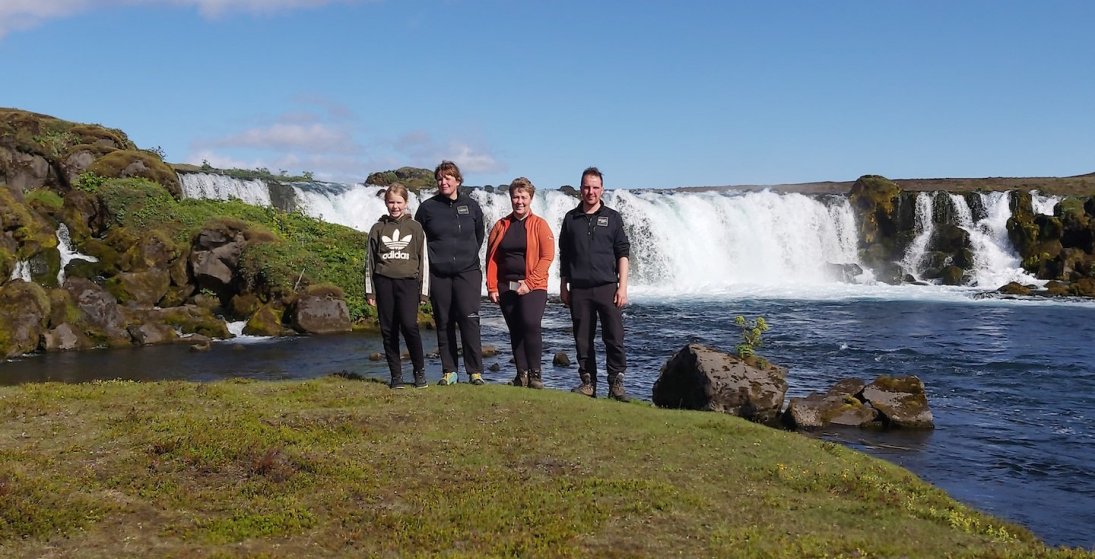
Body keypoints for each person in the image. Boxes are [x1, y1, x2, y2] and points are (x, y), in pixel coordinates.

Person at [558, 166, 631, 401]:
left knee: (614, 336)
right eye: (587, 187)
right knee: (582, 338)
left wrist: (622, 287)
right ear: (581, 189)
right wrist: (563, 286)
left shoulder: (612, 218)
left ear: (602, 189)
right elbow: (565, 255)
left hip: (607, 287)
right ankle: (588, 382)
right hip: (579, 289)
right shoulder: (571, 219)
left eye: (595, 187)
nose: (591, 192)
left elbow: (622, 253)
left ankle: (616, 383)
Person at [415, 160, 486, 386]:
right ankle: (449, 371)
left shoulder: (472, 206)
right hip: (439, 273)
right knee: (444, 320)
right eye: (440, 178)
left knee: (469, 318)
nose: (443, 181)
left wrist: (467, 256)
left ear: (457, 180)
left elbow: (479, 234)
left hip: (468, 271)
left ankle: (475, 371)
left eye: (448, 177)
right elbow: (419, 238)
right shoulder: (427, 208)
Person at [485, 177, 555, 389]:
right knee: (515, 328)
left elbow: (547, 257)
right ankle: (521, 374)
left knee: (530, 324)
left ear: (531, 198)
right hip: (507, 285)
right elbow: (492, 257)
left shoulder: (540, 225)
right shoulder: (501, 225)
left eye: (524, 197)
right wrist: (491, 286)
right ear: (511, 198)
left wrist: (530, 283)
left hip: (534, 285)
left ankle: (535, 374)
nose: (519, 201)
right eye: (516, 197)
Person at [365, 183, 429, 389]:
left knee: (410, 327)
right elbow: (370, 262)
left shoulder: (415, 228)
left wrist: (424, 291)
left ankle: (419, 373)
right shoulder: (377, 229)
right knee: (388, 330)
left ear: (406, 203)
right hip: (384, 283)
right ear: (385, 203)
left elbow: (424, 260)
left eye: (399, 202)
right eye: (391, 202)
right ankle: (396, 376)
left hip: (409, 284)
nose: (395, 206)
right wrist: (370, 291)